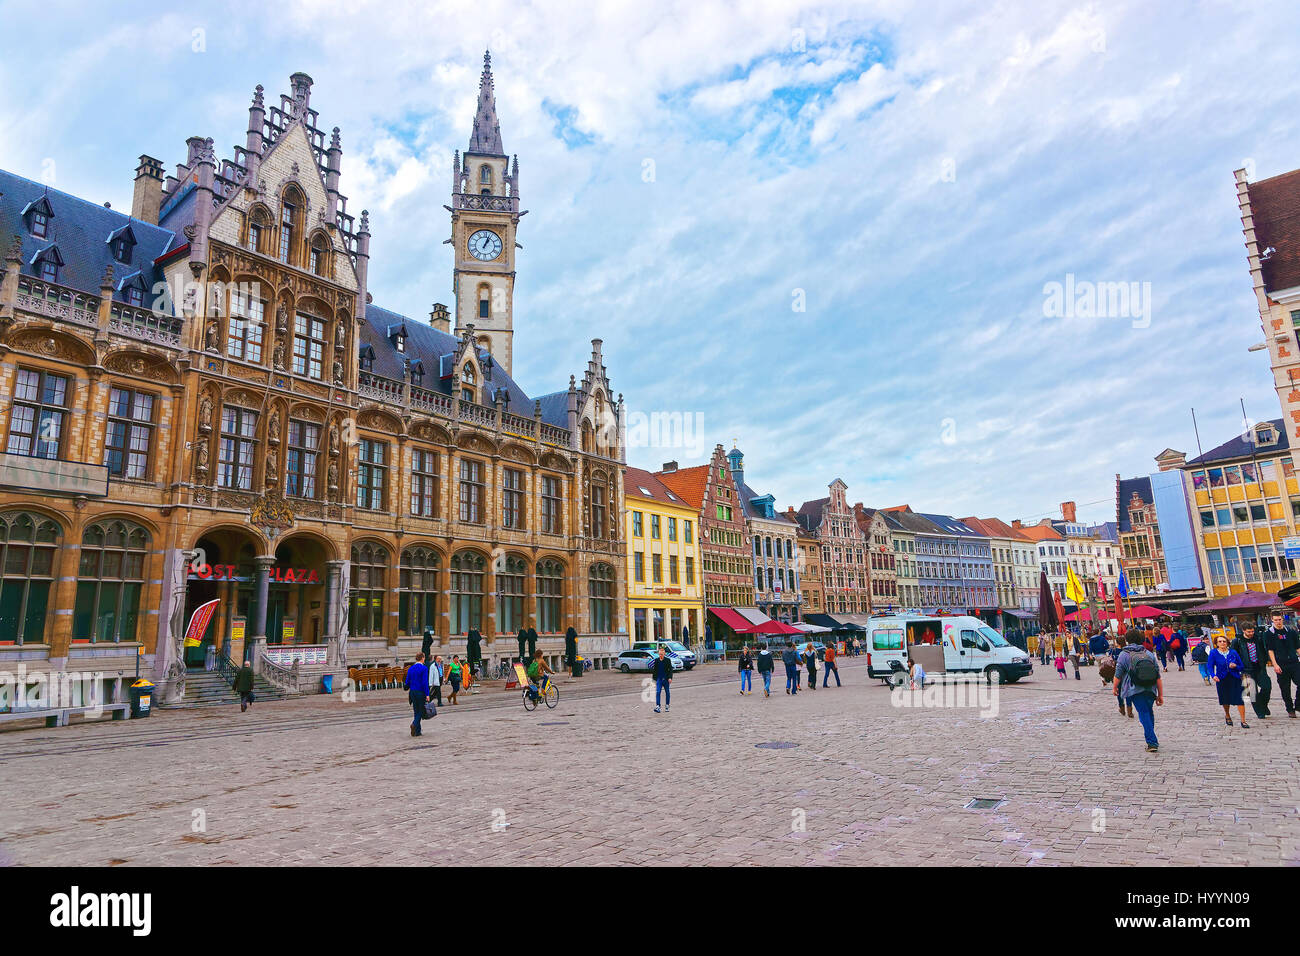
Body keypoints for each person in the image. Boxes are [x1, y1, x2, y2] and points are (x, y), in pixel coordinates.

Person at [1113, 630, 1163, 752]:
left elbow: (1118, 674)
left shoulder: (1124, 655)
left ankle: (1152, 742)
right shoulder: (1149, 653)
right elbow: (1158, 675)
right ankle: (1151, 736)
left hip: (1134, 688)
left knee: (1143, 713)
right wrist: (1160, 694)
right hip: (1151, 687)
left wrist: (1115, 688)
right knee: (1148, 711)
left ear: (1127, 640)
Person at [1264, 607, 1300, 718]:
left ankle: (1298, 705)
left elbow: (1297, 647)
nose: (1278, 622)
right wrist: (1275, 664)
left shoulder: (1291, 631)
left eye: (1279, 619)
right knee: (1285, 688)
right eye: (1276, 620)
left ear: (1282, 619)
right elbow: (1270, 650)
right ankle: (1290, 709)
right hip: (1281, 663)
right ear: (1272, 620)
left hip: (1294, 662)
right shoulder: (1268, 634)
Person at [1208, 634, 1249, 728]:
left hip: (1235, 678)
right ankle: (1227, 715)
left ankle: (1243, 721)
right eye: (1220, 641)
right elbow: (1210, 666)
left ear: (1227, 643)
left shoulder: (1233, 652)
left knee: (1240, 699)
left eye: (1224, 641)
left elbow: (1241, 666)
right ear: (1216, 643)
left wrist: (1235, 666)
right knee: (1225, 699)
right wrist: (1213, 676)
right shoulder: (1213, 652)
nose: (1222, 643)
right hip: (1221, 678)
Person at [1232, 622, 1272, 720]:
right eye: (1249, 632)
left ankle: (1263, 705)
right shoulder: (1237, 641)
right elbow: (1233, 655)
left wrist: (1267, 660)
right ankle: (1259, 712)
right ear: (1243, 631)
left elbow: (1264, 649)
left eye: (1252, 631)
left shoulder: (1258, 638)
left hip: (1260, 667)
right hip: (1246, 669)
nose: (1251, 633)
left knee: (1267, 687)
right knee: (1253, 693)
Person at [404, 652, 430, 737]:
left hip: (412, 692)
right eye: (424, 658)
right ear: (422, 658)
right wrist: (427, 694)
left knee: (416, 710)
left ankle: (417, 731)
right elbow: (425, 682)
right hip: (420, 692)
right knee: (421, 711)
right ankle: (414, 724)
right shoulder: (424, 668)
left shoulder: (411, 668)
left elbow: (407, 681)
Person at [649, 645, 673, 713]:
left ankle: (667, 705)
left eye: (662, 654)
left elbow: (670, 670)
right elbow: (655, 670)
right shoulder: (656, 660)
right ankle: (658, 706)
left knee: (667, 692)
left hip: (666, 679)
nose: (660, 655)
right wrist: (653, 680)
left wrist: (670, 678)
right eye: (659, 654)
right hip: (659, 679)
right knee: (658, 692)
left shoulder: (668, 660)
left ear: (664, 654)